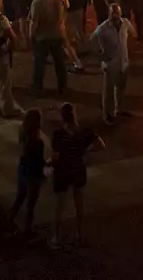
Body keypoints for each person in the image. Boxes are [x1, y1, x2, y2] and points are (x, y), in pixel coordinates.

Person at [50, 102, 105, 248]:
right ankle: (79, 234)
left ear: (62, 117)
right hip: (78, 169)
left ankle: (56, 237)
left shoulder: (58, 135)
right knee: (79, 203)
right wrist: (86, 150)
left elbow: (55, 156)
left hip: (62, 171)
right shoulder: (85, 132)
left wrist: (50, 162)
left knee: (59, 206)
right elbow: (101, 145)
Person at [90, 2, 137, 124]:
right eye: (113, 13)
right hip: (110, 65)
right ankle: (107, 115)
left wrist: (128, 50)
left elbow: (133, 35)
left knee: (120, 88)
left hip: (123, 63)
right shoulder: (103, 28)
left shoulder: (125, 23)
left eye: (117, 13)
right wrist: (100, 55)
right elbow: (92, 40)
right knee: (109, 91)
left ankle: (118, 110)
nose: (115, 16)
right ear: (109, 14)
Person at [30, 0, 69, 97]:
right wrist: (62, 22)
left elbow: (34, 23)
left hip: (43, 37)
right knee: (60, 63)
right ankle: (63, 87)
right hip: (58, 33)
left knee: (39, 64)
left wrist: (31, 36)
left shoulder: (37, 1)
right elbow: (67, 7)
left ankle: (38, 88)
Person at [9, 109, 45, 235]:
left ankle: (8, 220)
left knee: (20, 197)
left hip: (22, 169)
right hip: (33, 173)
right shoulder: (38, 142)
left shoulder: (23, 133)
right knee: (31, 204)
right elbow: (38, 161)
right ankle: (28, 229)